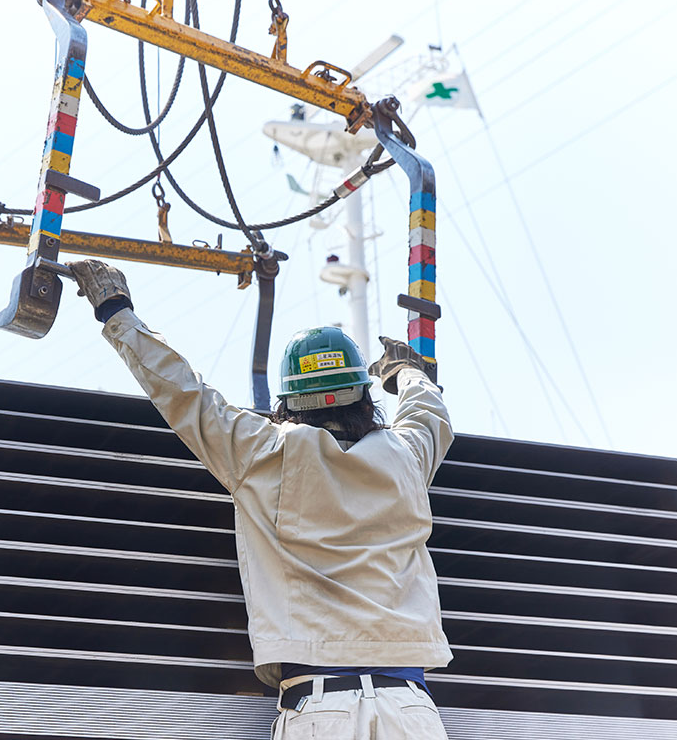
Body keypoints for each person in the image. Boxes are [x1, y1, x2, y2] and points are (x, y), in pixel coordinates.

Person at [68, 258, 454, 740]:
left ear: (287, 403)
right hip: (411, 711)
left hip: (320, 707)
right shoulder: (408, 454)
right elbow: (429, 411)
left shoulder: (264, 450)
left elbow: (186, 394)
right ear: (362, 395)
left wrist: (117, 311)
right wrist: (405, 372)